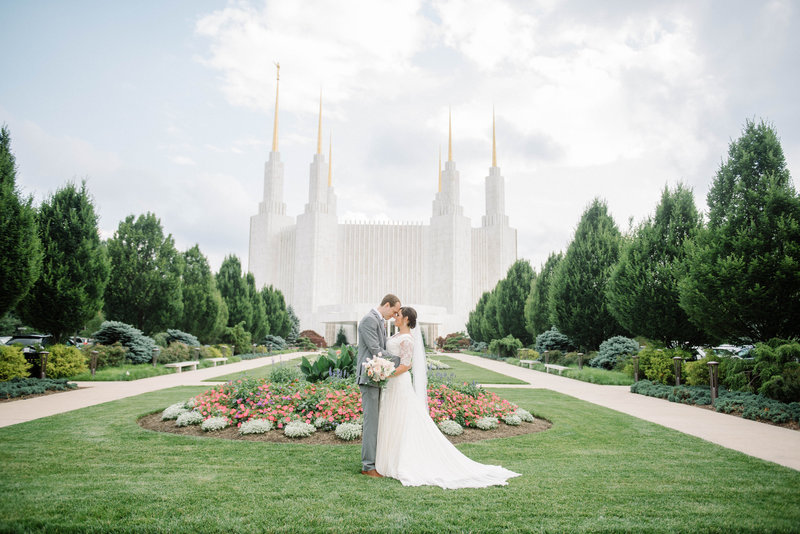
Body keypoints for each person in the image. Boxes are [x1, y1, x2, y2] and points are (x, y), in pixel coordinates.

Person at [376, 306, 521, 489]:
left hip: (399, 382)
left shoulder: (407, 339)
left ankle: (402, 459)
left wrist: (385, 373)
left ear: (406, 319)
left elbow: (406, 365)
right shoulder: (396, 336)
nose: (395, 317)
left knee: (403, 419)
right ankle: (390, 456)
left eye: (398, 315)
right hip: (392, 383)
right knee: (394, 418)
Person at [356, 294, 402, 478]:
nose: (394, 315)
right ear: (387, 305)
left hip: (377, 377)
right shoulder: (369, 320)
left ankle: (375, 461)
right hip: (368, 377)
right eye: (394, 311)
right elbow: (376, 350)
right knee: (371, 423)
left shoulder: (379, 320)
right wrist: (402, 360)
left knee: (377, 422)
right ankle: (368, 466)